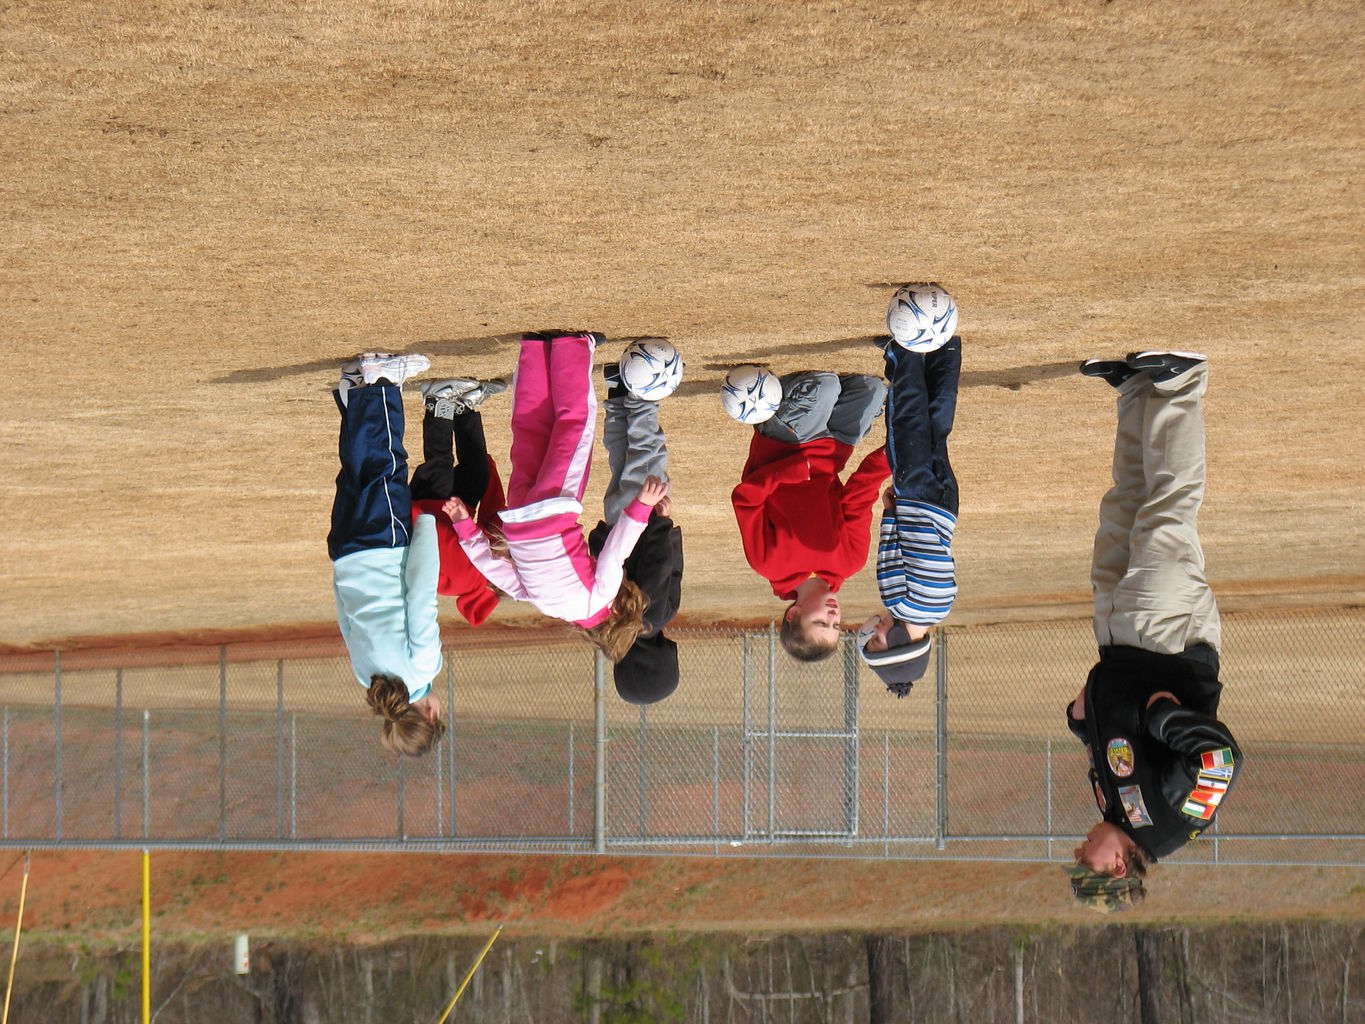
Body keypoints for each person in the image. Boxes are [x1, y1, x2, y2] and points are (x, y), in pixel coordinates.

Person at [1065, 350, 1242, 911]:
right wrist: (1168, 717)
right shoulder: (1168, 823)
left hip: (1118, 638)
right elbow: (1218, 762)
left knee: (1124, 507)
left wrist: (1083, 723)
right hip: (1167, 640)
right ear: (1118, 867)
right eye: (1084, 861)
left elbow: (1121, 745)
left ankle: (1138, 392)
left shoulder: (1114, 812)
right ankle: (1182, 381)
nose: (1079, 849)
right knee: (1167, 512)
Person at [446, 332, 666, 660]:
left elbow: (615, 552)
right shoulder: (546, 605)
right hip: (518, 515)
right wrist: (465, 528)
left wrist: (641, 508)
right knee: (530, 428)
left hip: (553, 510)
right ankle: (533, 349)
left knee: (575, 425)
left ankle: (573, 346)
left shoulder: (600, 598)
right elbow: (493, 570)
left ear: (616, 617)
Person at [328, 352, 447, 757]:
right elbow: (346, 620)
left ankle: (381, 379)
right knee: (356, 473)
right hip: (345, 554)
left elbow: (419, 596)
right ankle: (354, 390)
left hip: (383, 545)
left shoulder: (423, 669)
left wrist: (428, 528)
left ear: (430, 716)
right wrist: (340, 570)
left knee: (386, 466)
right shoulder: (367, 680)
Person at [731, 371, 889, 662]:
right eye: (836, 625)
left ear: (794, 613)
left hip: (786, 443)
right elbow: (860, 495)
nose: (833, 616)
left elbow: (745, 499)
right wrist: (893, 455)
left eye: (821, 622)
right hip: (835, 449)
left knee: (825, 386)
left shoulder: (767, 563)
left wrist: (791, 471)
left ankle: (783, 405)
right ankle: (828, 408)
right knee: (873, 389)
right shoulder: (850, 560)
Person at [856, 332, 961, 697]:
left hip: (946, 505)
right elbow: (890, 553)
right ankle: (904, 350)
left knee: (936, 426)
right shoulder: (896, 600)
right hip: (914, 496)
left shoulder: (941, 609)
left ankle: (946, 351)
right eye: (877, 642)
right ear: (899, 641)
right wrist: (889, 512)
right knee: (906, 421)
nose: (874, 632)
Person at [587, 360, 684, 704]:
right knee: (622, 458)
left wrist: (661, 524)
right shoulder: (609, 622)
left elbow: (660, 566)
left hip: (643, 518)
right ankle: (618, 392)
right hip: (618, 523)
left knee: (646, 455)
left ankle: (642, 387)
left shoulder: (653, 618)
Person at [409, 376, 509, 627]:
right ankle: (464, 408)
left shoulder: (466, 578)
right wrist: (487, 475)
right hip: (450, 512)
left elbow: (436, 537)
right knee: (476, 474)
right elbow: (494, 518)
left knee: (440, 466)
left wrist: (406, 508)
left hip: (425, 512)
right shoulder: (493, 565)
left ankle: (437, 402)